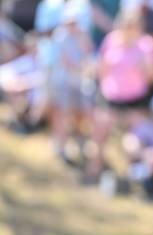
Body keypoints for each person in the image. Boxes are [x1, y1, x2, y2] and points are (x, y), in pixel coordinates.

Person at [87, 9, 153, 181]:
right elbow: (102, 69)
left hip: (136, 100)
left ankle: (132, 175)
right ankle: (94, 170)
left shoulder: (146, 45)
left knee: (134, 138)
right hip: (111, 98)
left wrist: (144, 65)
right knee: (99, 129)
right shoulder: (111, 40)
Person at [49, 4, 95, 165]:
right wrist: (84, 67)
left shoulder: (83, 34)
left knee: (80, 115)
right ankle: (60, 147)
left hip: (80, 83)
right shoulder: (60, 36)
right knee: (63, 114)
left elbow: (88, 52)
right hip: (64, 82)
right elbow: (66, 61)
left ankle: (79, 143)